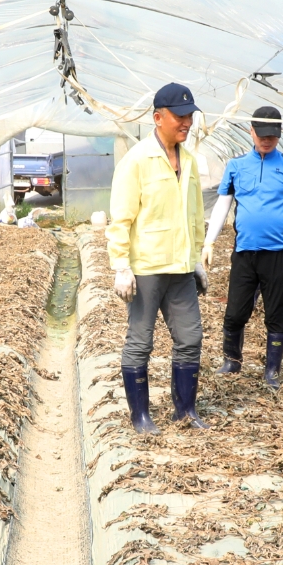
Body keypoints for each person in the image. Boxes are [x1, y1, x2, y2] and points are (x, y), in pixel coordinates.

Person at [108, 82, 208, 433]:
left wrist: (196, 259)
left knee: (190, 338)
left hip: (180, 268)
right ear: (158, 118)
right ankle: (141, 417)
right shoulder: (137, 161)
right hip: (147, 268)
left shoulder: (189, 161)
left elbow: (195, 215)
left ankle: (185, 411)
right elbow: (121, 219)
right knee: (140, 341)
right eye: (180, 117)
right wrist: (121, 265)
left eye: (190, 116)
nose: (187, 123)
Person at [202, 106, 283, 388]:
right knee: (235, 311)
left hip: (277, 254)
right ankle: (232, 360)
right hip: (244, 252)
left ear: (279, 134)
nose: (267, 140)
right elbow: (223, 204)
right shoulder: (236, 166)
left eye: (272, 136)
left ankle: (272, 370)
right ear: (251, 132)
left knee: (276, 313)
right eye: (262, 135)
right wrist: (209, 241)